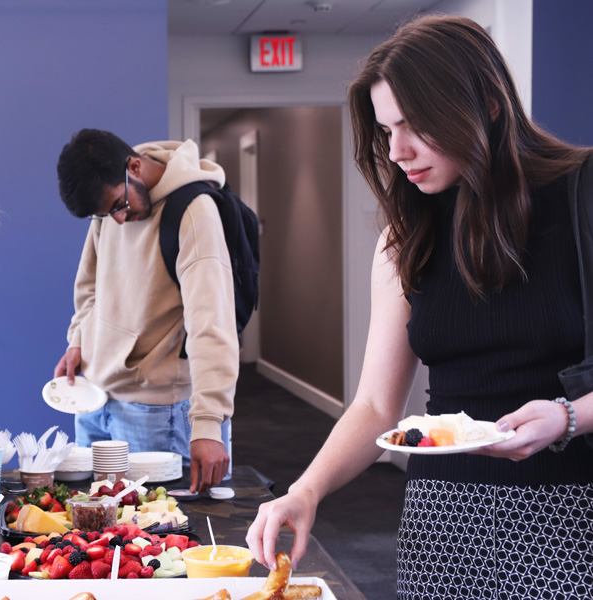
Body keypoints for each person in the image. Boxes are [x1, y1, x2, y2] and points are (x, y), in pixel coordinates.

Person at [246, 15, 593, 599]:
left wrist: (568, 417)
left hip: (570, 510)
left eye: (415, 125)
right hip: (445, 522)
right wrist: (303, 491)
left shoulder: (583, 193)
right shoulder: (406, 235)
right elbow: (378, 404)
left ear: (487, 105)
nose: (397, 151)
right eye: (385, 130)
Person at [54, 129, 238, 493]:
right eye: (107, 214)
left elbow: (211, 324)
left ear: (134, 167)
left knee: (164, 532)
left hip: (157, 412)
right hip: (95, 396)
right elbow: (90, 285)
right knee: (100, 530)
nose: (118, 220)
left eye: (119, 206)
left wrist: (207, 423)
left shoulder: (193, 211)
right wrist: (78, 341)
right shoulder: (110, 200)